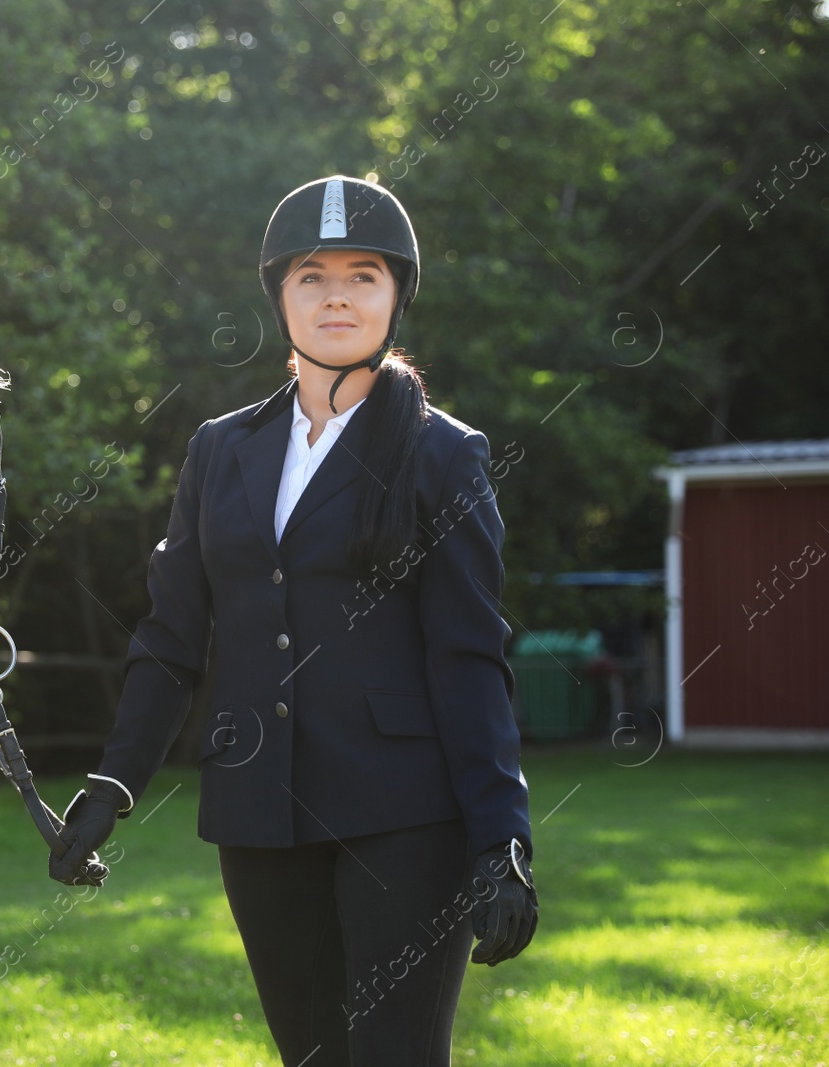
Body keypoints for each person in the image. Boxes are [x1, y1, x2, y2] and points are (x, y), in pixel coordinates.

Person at [47, 175, 538, 1066]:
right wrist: (115, 784)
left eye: (363, 275)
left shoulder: (444, 453)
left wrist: (502, 836)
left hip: (407, 817)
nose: (338, 294)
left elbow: (471, 660)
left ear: (396, 296)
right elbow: (169, 637)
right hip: (258, 812)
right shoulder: (217, 447)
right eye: (312, 275)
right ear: (280, 295)